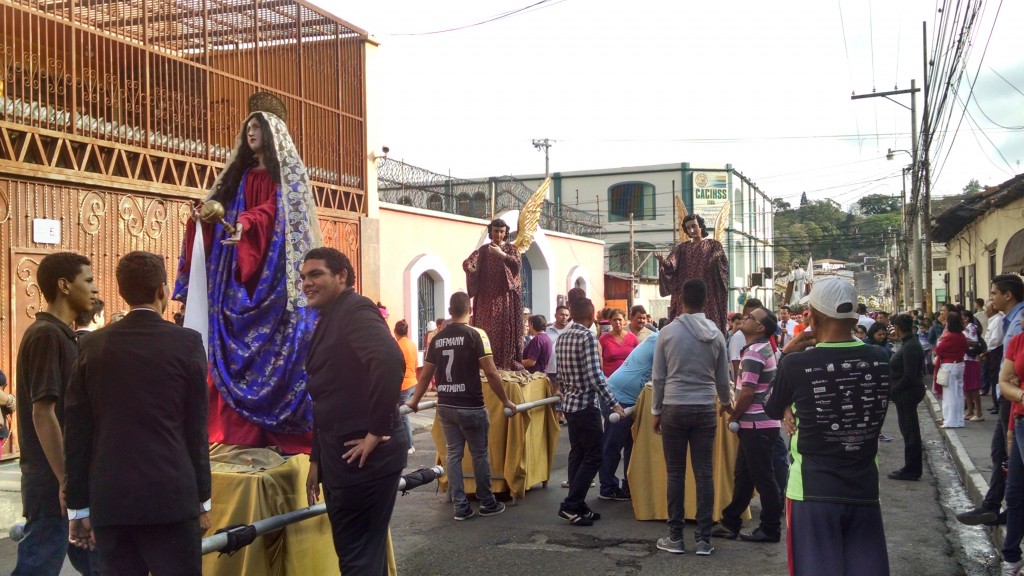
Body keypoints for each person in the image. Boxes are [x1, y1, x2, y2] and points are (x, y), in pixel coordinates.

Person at [174, 93, 321, 454]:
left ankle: (278, 434)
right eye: (249, 127)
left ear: (272, 133)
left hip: (271, 275)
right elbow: (222, 210)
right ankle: (231, 432)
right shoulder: (238, 177)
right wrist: (206, 217)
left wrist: (248, 223)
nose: (251, 132)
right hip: (235, 272)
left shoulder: (288, 179)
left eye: (258, 127)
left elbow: (276, 210)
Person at [64, 251, 211, 575]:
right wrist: (203, 500)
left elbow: (77, 431)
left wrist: (78, 507)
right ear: (162, 290)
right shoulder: (187, 343)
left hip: (112, 499)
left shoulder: (91, 346)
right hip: (172, 497)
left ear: (122, 291)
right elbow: (196, 428)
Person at [765, 276, 892, 575]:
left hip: (811, 491)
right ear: (854, 318)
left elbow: (770, 404)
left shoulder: (795, 364)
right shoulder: (879, 358)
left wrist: (788, 352)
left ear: (812, 316)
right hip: (864, 488)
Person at [301, 247, 408, 576]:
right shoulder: (331, 316)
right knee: (361, 556)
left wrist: (377, 431)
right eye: (303, 277)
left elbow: (389, 361)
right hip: (339, 456)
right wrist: (317, 460)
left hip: (364, 459)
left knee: (357, 558)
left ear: (341, 275)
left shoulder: (355, 309)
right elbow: (326, 396)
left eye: (316, 274)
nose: (306, 283)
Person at [13, 253, 100, 576]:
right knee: (38, 566)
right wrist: (66, 481)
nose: (95, 289)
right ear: (64, 285)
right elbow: (42, 412)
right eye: (88, 280)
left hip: (70, 482)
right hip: (53, 486)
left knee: (99, 564)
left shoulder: (64, 335)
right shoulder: (46, 335)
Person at [406, 292, 517, 521]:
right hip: (471, 405)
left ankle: (461, 506)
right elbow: (491, 372)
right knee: (479, 455)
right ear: (470, 310)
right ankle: (487, 502)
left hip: (446, 405)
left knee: (453, 455)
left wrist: (414, 401)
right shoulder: (477, 334)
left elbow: (425, 375)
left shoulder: (437, 338)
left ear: (450, 311)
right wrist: (505, 400)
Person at [651, 279, 732, 556]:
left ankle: (675, 537)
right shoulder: (716, 334)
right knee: (704, 473)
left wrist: (656, 411)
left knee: (675, 473)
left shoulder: (667, 333)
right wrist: (726, 403)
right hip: (705, 408)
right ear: (706, 300)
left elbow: (658, 377)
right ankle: (704, 540)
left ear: (680, 300)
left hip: (674, 406)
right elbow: (723, 379)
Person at [712, 306, 783, 544]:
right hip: (759, 424)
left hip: (756, 425)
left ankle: (770, 528)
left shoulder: (754, 352)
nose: (745, 318)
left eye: (751, 317)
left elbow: (747, 393)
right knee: (744, 476)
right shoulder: (760, 348)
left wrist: (734, 416)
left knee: (763, 478)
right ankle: (730, 521)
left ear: (760, 327)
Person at [557, 297, 625, 526]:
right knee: (594, 455)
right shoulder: (587, 336)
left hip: (570, 404)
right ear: (590, 316)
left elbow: (561, 375)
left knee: (578, 453)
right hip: (586, 405)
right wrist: (614, 403)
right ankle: (571, 504)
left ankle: (576, 504)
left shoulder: (563, 335)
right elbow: (596, 376)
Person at [600, 332, 660, 503]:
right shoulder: (659, 340)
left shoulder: (662, 339)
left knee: (631, 445)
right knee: (613, 444)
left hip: (631, 398)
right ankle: (607, 488)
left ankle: (629, 485)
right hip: (618, 397)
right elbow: (663, 373)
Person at [463, 218, 524, 371]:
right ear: (491, 232)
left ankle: (504, 362)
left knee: (504, 329)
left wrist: (501, 254)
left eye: (501, 232)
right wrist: (469, 267)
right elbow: (469, 261)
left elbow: (516, 265)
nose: (498, 235)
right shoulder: (484, 250)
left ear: (505, 233)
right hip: (486, 297)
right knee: (485, 329)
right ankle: (485, 363)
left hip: (504, 297)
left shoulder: (511, 249)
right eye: (496, 231)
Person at [657, 213, 729, 331]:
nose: (691, 230)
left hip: (707, 292)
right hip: (686, 292)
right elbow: (672, 265)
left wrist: (715, 262)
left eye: (694, 226)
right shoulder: (682, 248)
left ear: (701, 226)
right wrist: (663, 262)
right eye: (688, 228)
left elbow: (722, 267)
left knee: (708, 324)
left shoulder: (714, 245)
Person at [997, 309, 1024, 575]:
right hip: (1021, 422)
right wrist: (1021, 394)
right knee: (1014, 493)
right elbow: (1005, 383)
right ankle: (1012, 557)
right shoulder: (1018, 341)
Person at [887, 313, 926, 481]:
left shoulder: (911, 346)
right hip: (906, 393)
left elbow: (910, 375)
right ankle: (911, 466)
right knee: (908, 431)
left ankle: (912, 469)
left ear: (897, 328)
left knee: (910, 432)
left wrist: (893, 390)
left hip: (908, 394)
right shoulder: (909, 344)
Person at [934, 312, 968, 429]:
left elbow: (938, 349)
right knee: (958, 394)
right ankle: (959, 419)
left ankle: (949, 421)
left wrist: (942, 337)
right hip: (959, 364)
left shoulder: (949, 336)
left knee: (949, 395)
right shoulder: (961, 336)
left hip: (949, 366)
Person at [394, 320, 418, 454]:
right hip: (413, 382)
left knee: (402, 414)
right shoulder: (412, 344)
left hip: (404, 383)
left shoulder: (397, 345)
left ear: (395, 331)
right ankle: (404, 442)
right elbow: (416, 364)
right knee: (402, 414)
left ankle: (409, 444)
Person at [599, 309, 639, 377]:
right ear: (610, 321)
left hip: (629, 377)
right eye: (614, 320)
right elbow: (599, 360)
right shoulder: (603, 339)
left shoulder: (633, 338)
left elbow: (638, 358)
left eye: (620, 320)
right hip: (609, 378)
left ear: (624, 321)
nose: (617, 322)